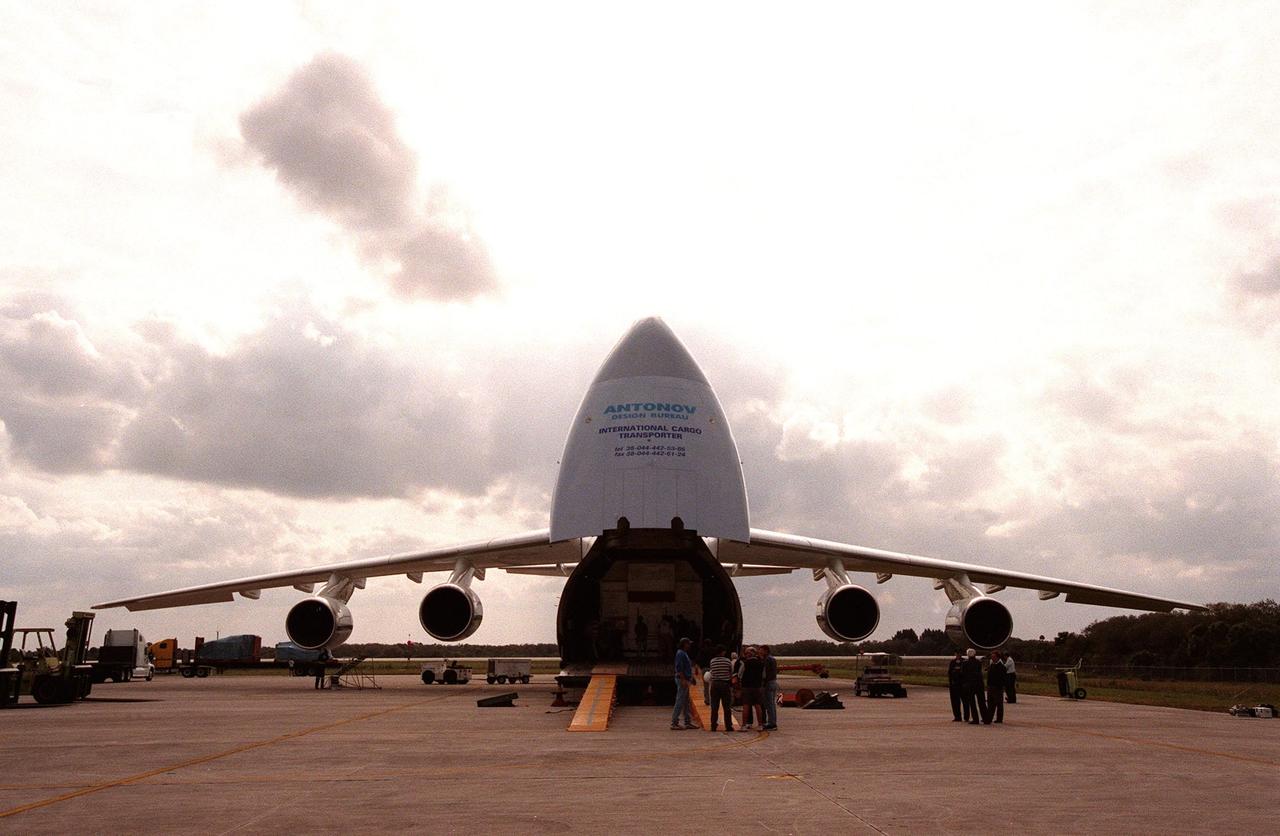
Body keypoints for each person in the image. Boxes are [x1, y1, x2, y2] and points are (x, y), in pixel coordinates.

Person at [670, 637, 696, 730]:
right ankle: (674, 722)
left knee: (686, 702)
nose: (689, 645)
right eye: (688, 644)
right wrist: (683, 679)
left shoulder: (683, 653)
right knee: (680, 701)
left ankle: (687, 721)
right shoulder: (681, 653)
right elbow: (679, 668)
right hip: (682, 680)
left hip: (685, 679)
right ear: (684, 644)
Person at [737, 646, 765, 731]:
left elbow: (739, 675)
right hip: (757, 686)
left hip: (746, 687)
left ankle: (744, 725)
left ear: (748, 654)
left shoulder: (745, 663)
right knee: (758, 706)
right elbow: (764, 676)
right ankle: (760, 725)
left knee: (746, 706)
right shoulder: (761, 663)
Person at [708, 645, 735, 732]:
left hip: (714, 684)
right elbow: (731, 673)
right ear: (722, 652)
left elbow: (711, 671)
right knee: (727, 707)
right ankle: (728, 726)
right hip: (725, 684)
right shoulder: (727, 661)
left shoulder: (712, 661)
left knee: (714, 706)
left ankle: (713, 725)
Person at [960, 648, 985, 725]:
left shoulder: (965, 663)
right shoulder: (979, 662)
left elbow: (962, 674)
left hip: (970, 685)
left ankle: (975, 719)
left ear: (967, 655)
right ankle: (986, 718)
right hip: (979, 684)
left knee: (972, 703)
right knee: (982, 702)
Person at [985, 650, 1007, 724]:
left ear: (998, 657)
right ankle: (989, 718)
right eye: (992, 657)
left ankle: (999, 718)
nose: (992, 658)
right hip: (990, 687)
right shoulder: (991, 665)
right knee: (990, 703)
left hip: (997, 687)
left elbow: (1003, 678)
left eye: (994, 657)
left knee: (999, 704)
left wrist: (1001, 687)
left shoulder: (1002, 667)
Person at [761, 644, 779, 730]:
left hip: (768, 683)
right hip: (774, 682)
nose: (759, 652)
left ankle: (771, 723)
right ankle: (773, 722)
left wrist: (763, 682)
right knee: (772, 704)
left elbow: (765, 673)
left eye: (761, 650)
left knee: (769, 704)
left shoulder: (767, 659)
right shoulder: (773, 659)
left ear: (765, 651)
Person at [947, 651, 966, 722]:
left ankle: (966, 716)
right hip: (954, 685)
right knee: (955, 702)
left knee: (965, 702)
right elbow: (949, 673)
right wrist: (951, 683)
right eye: (956, 653)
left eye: (959, 653)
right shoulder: (952, 662)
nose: (958, 655)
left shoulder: (964, 661)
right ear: (955, 654)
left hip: (962, 685)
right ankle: (957, 716)